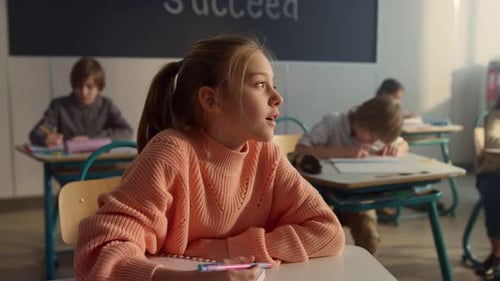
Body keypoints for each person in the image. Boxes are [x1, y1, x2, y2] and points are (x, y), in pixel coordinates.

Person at [74, 35, 345, 281]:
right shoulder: (171, 153)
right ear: (211, 100)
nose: (277, 97)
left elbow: (329, 232)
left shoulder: (267, 155)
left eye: (272, 85)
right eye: (260, 84)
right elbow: (98, 254)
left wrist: (226, 249)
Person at [292, 96, 409, 255]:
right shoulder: (334, 122)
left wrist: (398, 149)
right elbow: (301, 148)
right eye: (371, 135)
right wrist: (344, 152)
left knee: (369, 233)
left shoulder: (378, 134)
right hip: (322, 195)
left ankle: (366, 271)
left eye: (378, 139)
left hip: (356, 196)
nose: (373, 141)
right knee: (322, 237)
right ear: (361, 119)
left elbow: (403, 143)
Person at [29, 56, 133, 147]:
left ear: (99, 88)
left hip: (100, 163)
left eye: (89, 87)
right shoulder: (59, 106)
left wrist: (91, 139)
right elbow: (36, 132)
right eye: (79, 86)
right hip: (67, 165)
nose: (84, 92)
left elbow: (127, 132)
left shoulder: (107, 105)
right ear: (73, 86)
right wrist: (46, 139)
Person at [474, 99, 500, 280]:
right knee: (495, 195)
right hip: (494, 172)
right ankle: (497, 253)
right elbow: (492, 140)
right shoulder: (494, 115)